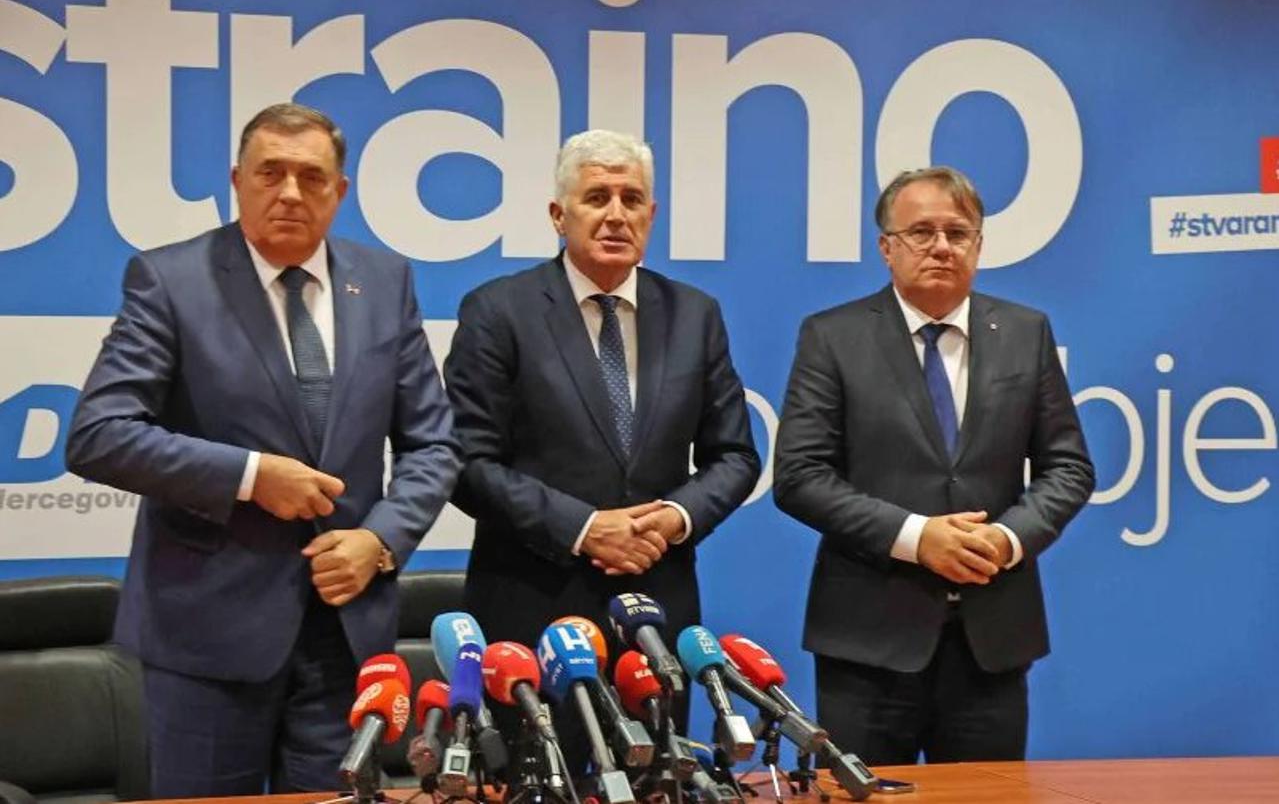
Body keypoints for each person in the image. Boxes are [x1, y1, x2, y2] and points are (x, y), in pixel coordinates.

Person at [66, 103, 461, 795]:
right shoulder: (171, 280)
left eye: (311, 177)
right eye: (270, 173)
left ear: (339, 191)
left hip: (345, 632)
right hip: (206, 637)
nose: (290, 193)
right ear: (236, 181)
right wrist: (249, 476)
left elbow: (432, 442)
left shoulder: (385, 281)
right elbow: (99, 434)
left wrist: (380, 540)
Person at [444, 129, 760, 745]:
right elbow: (466, 461)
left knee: (658, 778)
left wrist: (674, 517)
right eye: (597, 197)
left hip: (657, 614)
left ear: (652, 215)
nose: (616, 214)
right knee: (541, 781)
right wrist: (584, 528)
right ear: (558, 214)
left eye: (632, 199)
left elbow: (735, 455)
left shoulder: (695, 314)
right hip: (533, 611)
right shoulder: (499, 311)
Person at [773, 166, 1094, 765]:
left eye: (958, 232)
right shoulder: (833, 337)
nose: (942, 247)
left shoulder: (1026, 332)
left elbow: (1069, 467)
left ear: (979, 244)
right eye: (921, 232)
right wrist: (917, 538)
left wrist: (1006, 539)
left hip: (991, 642)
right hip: (867, 646)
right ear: (886, 247)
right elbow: (800, 476)